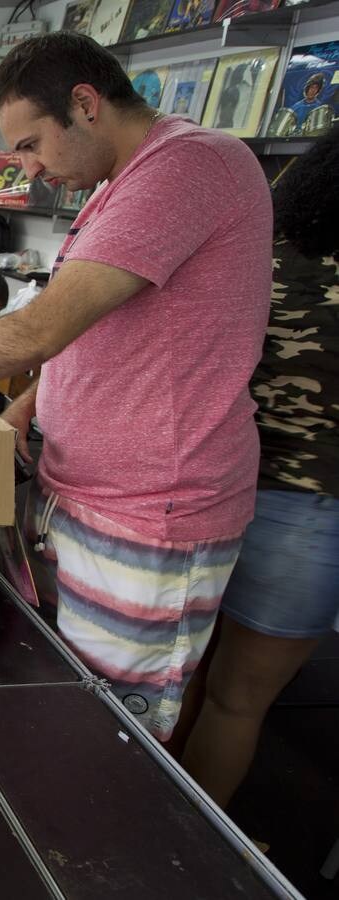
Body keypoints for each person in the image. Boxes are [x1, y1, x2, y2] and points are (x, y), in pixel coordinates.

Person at [0, 32, 273, 742]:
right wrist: (31, 407)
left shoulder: (187, 167)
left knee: (113, 735)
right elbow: (94, 331)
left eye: (31, 145)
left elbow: (39, 330)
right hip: (80, 492)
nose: (27, 170)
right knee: (66, 702)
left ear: (85, 105)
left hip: (150, 511)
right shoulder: (117, 187)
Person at [180, 126, 339, 804]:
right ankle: (187, 852)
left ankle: (134, 822)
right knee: (237, 702)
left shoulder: (256, 253)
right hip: (312, 501)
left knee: (180, 675)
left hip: (208, 481)